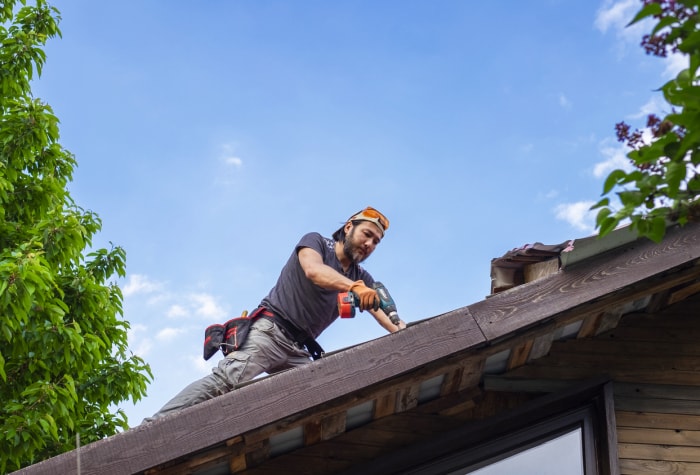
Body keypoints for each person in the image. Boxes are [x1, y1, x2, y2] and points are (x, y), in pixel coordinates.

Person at [145, 206, 406, 422]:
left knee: (322, 401)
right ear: (349, 227)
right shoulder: (316, 243)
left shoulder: (361, 277)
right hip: (270, 333)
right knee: (225, 382)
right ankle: (153, 426)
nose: (370, 244)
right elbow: (313, 271)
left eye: (376, 242)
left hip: (299, 351)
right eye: (367, 234)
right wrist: (354, 288)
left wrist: (402, 330)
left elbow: (385, 313)